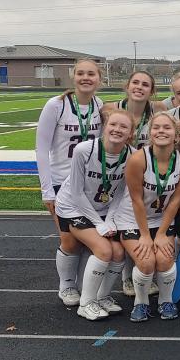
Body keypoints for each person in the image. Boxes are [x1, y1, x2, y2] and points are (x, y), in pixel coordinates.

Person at [110, 112, 180, 322]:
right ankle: (141, 302)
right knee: (146, 262)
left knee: (164, 260)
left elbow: (174, 201)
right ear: (150, 133)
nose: (161, 131)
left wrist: (162, 233)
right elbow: (136, 200)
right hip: (132, 218)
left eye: (167, 128)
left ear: (176, 135)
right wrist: (146, 236)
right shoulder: (138, 159)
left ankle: (166, 301)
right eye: (157, 128)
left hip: (161, 218)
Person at [53, 109, 134, 321]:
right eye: (113, 124)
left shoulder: (133, 156)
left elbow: (119, 195)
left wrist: (109, 220)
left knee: (118, 252)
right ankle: (82, 299)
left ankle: (102, 296)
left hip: (104, 209)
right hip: (73, 206)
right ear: (105, 127)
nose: (117, 129)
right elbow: (77, 193)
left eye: (123, 127)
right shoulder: (84, 150)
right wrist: (99, 223)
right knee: (100, 249)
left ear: (130, 133)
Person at [36, 57, 104, 306]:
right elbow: (41, 149)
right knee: (70, 239)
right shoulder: (56, 105)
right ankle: (66, 286)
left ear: (99, 79)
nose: (86, 78)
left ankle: (85, 286)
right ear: (73, 77)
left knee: (90, 239)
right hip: (62, 183)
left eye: (91, 74)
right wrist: (47, 191)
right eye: (81, 74)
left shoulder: (100, 105)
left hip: (89, 185)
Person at [101, 70, 167, 147]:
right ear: (127, 87)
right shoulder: (110, 109)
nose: (139, 87)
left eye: (145, 85)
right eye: (135, 82)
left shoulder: (158, 109)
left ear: (151, 92)